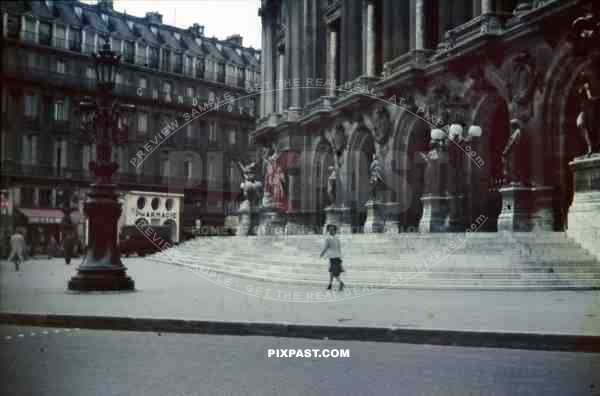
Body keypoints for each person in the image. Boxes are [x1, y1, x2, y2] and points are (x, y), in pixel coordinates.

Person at [319, 224, 345, 291]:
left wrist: (321, 254)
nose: (330, 231)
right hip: (335, 256)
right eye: (330, 229)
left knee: (333, 272)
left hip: (333, 257)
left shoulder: (328, 238)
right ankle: (330, 285)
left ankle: (340, 282)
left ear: (334, 230)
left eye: (331, 229)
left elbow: (326, 247)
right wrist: (340, 256)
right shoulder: (337, 237)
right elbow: (339, 248)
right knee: (331, 271)